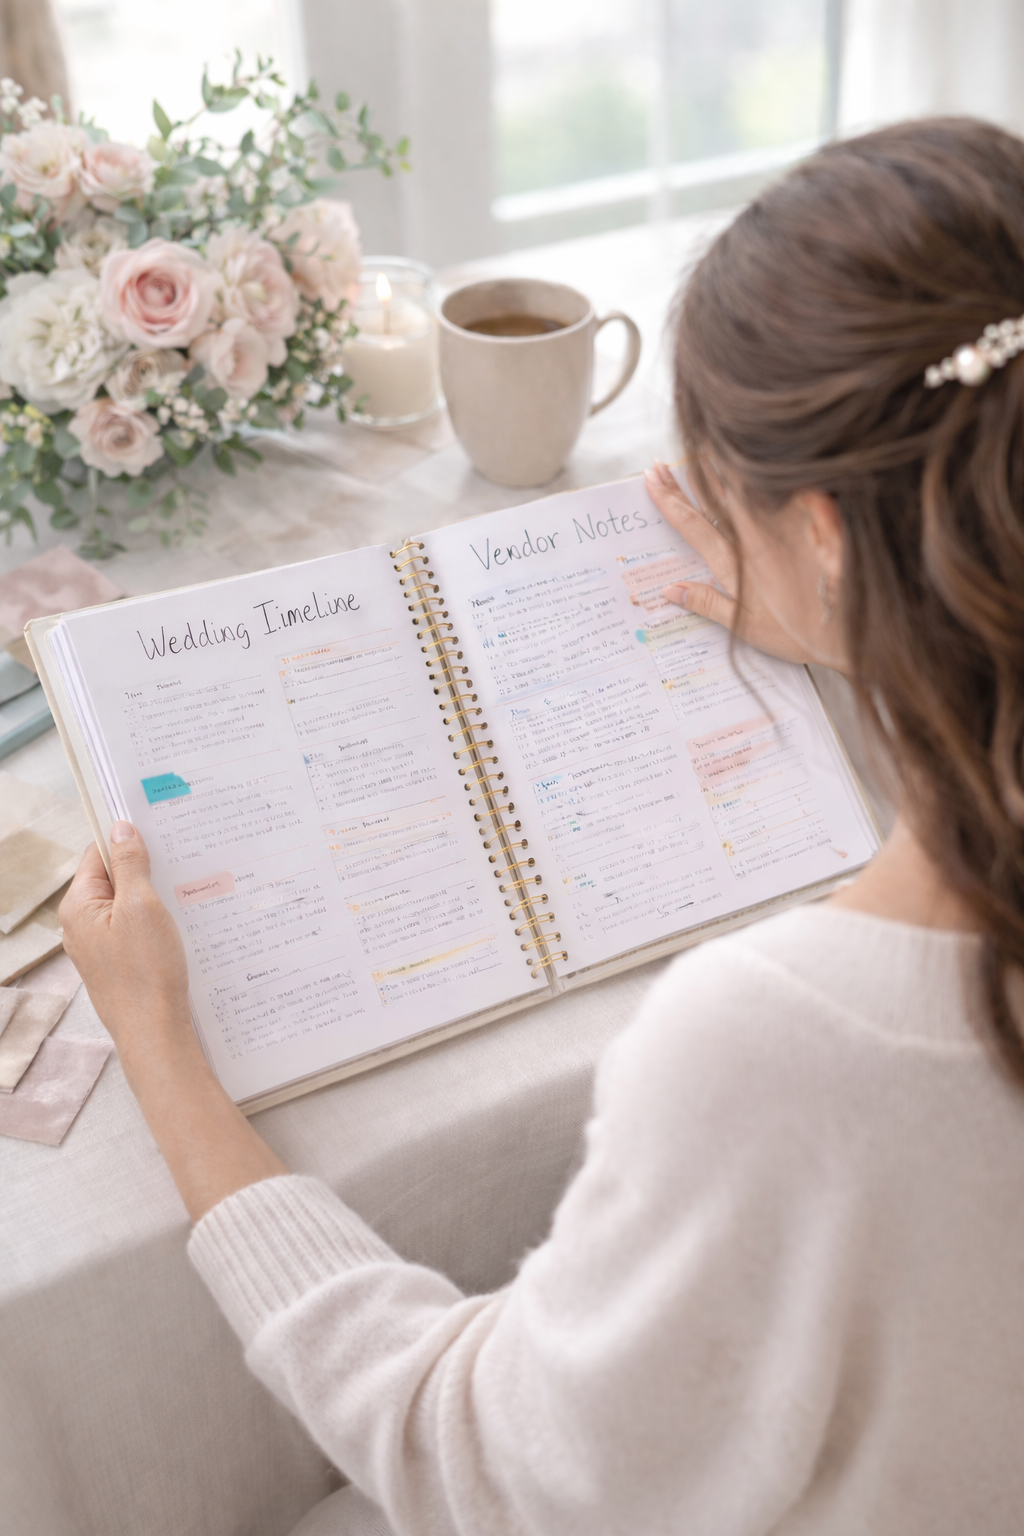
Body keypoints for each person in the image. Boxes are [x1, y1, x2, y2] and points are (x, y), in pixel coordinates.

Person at [60, 116, 1024, 1535]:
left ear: (822, 532)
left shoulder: (777, 1045)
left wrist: (161, 1050)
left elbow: (476, 1466)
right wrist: (874, 639)